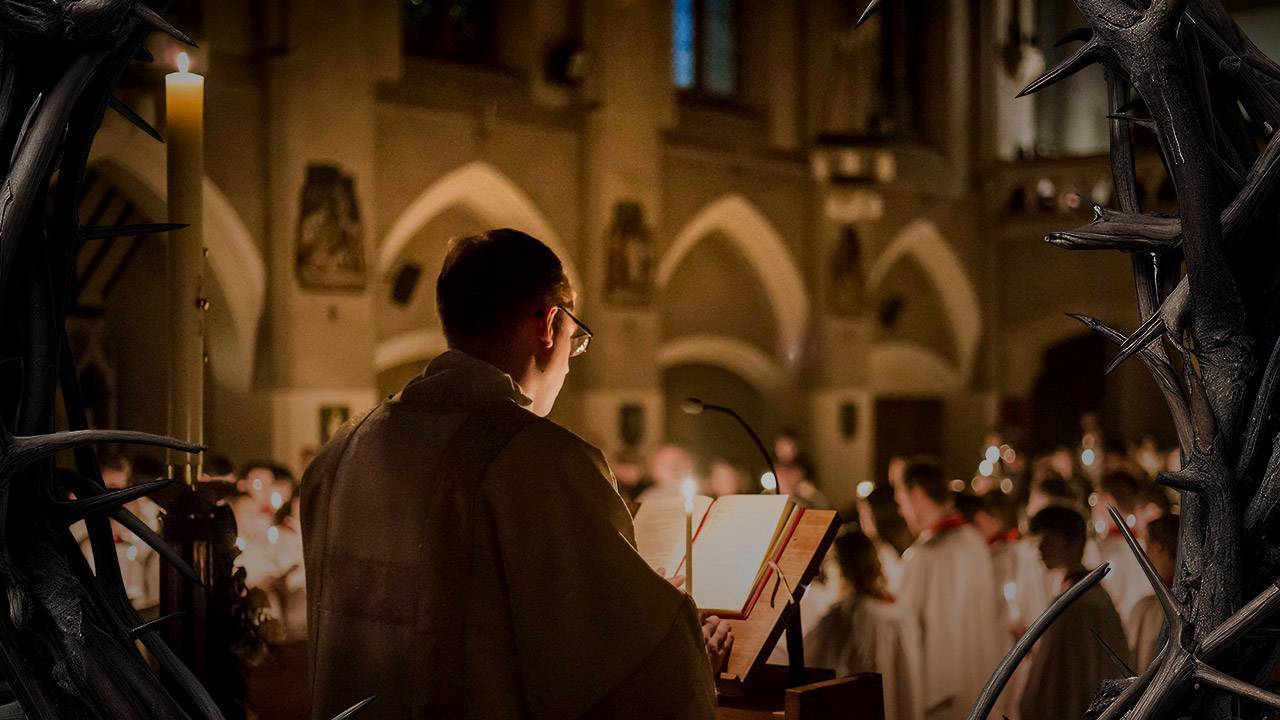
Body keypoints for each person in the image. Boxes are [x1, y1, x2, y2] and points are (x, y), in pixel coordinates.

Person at [302, 229, 728, 720]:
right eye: (577, 341)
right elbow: (629, 680)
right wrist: (682, 642)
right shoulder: (540, 461)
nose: (570, 363)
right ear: (549, 324)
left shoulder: (341, 452)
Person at [893, 458, 1008, 720]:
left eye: (901, 501)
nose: (901, 511)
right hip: (979, 679)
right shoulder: (974, 541)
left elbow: (906, 628)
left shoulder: (924, 557)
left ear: (917, 495)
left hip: (940, 690)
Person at [1019, 507, 1129, 720]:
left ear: (1073, 542)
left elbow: (1059, 683)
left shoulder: (1077, 603)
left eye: (1048, 540)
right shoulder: (1087, 594)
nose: (1040, 549)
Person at [806, 529, 924, 720]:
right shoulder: (899, 611)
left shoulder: (844, 616)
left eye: (830, 564)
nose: (827, 572)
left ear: (841, 567)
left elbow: (811, 664)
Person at [1092, 471, 1149, 623]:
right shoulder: (1146, 545)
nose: (1094, 508)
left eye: (1097, 500)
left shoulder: (1103, 550)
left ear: (1108, 502)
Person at [1128, 514, 1179, 671]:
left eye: (1148, 546)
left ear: (1159, 549)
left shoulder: (1149, 609)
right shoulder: (1148, 607)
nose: (1146, 554)